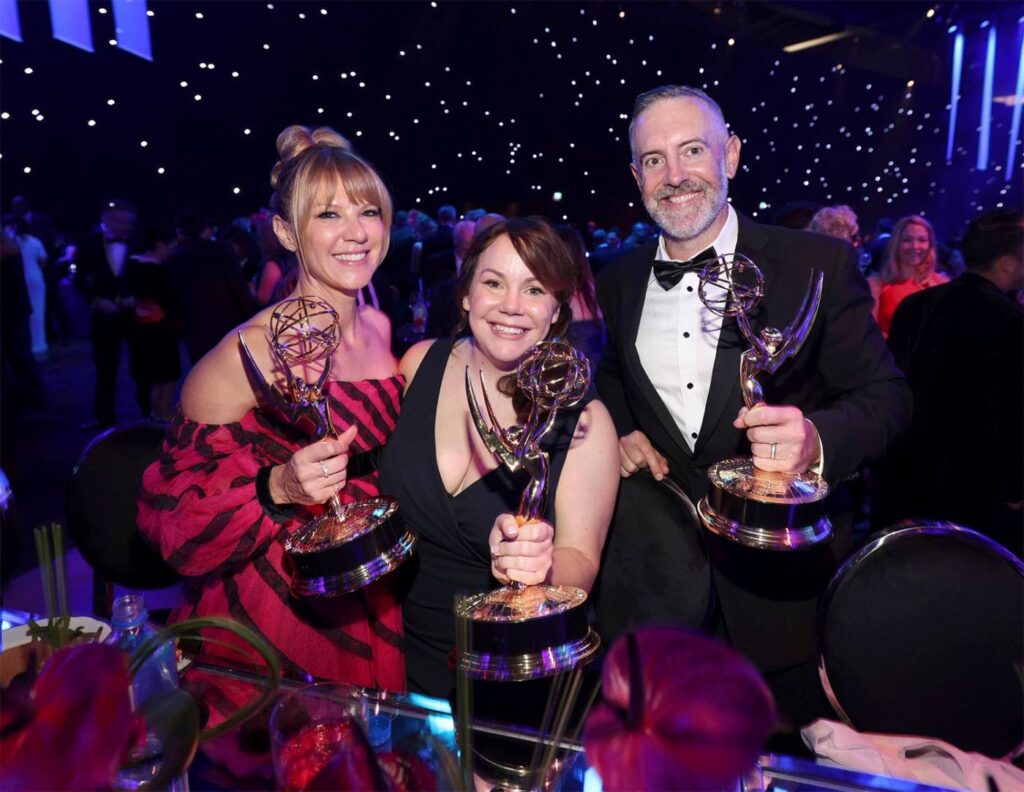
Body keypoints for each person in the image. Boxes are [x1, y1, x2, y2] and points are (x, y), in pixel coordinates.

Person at [593, 85, 910, 728]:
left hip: (784, 604)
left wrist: (815, 440)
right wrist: (621, 427)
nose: (675, 176)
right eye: (654, 160)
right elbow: (605, 375)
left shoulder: (816, 263)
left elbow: (889, 398)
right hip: (656, 599)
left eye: (692, 151)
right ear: (635, 175)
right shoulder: (617, 278)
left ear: (731, 155)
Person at [138, 125, 406, 737]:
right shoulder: (245, 354)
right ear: (286, 232)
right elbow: (171, 519)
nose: (356, 232)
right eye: (328, 214)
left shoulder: (381, 325)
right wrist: (277, 486)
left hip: (380, 577)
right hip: (284, 604)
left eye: (368, 211)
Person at [379, 217, 619, 700]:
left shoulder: (585, 422)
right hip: (403, 660)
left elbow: (583, 563)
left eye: (534, 290)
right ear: (466, 294)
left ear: (556, 309)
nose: (511, 306)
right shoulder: (417, 364)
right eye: (493, 283)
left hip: (519, 678)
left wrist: (544, 563)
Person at [875, 209, 1023, 557]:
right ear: (1006, 263)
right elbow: (1010, 411)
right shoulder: (1009, 320)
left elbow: (892, 389)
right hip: (972, 489)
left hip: (905, 475)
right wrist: (1014, 488)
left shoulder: (915, 305)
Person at [75, 200, 139, 428]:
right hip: (103, 315)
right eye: (120, 221)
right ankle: (105, 418)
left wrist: (136, 297)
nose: (125, 227)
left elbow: (145, 274)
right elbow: (79, 278)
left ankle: (146, 416)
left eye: (129, 223)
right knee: (105, 367)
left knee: (141, 365)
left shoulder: (137, 242)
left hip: (133, 314)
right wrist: (96, 300)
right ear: (106, 219)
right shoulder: (89, 243)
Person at [163, 209, 257, 363]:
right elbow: (238, 286)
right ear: (202, 228)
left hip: (195, 329)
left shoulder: (173, 259)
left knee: (204, 373)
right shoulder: (220, 249)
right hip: (229, 323)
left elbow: (171, 301)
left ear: (179, 231)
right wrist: (249, 317)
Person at [869, 214, 948, 338]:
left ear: (930, 245)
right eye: (907, 240)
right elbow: (868, 335)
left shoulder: (942, 284)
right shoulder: (876, 285)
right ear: (896, 244)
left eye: (922, 240)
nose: (915, 246)